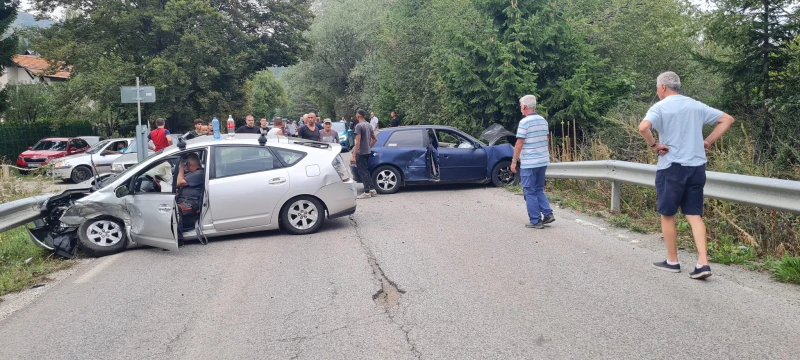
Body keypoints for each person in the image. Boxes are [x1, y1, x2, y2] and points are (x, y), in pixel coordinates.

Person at [639, 71, 735, 279]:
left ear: (663, 87)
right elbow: (727, 119)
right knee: (694, 214)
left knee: (668, 214)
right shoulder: (696, 105)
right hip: (697, 167)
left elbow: (643, 127)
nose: (657, 91)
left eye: (657, 88)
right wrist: (708, 141)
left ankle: (673, 261)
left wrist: (655, 145)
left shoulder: (660, 107)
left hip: (672, 166)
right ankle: (703, 263)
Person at [510, 95, 554, 230]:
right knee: (538, 188)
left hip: (529, 162)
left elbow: (519, 143)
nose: (520, 109)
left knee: (529, 191)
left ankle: (535, 220)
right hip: (542, 160)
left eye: (520, 107)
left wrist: (513, 161)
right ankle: (547, 213)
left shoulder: (524, 122)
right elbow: (546, 140)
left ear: (524, 106)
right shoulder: (543, 121)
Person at [175, 153, 205, 246]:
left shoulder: (199, 173)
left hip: (191, 205)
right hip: (185, 202)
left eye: (187, 165)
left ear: (190, 165)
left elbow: (179, 182)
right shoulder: (193, 173)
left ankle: (179, 240)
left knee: (175, 209)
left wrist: (181, 167)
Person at [351, 109, 378, 199]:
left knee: (362, 171)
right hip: (367, 152)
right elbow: (375, 139)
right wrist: (369, 147)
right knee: (366, 171)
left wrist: (354, 155)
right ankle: (372, 189)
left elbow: (357, 142)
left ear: (358, 116)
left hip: (361, 152)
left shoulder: (359, 126)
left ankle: (366, 192)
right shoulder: (368, 125)